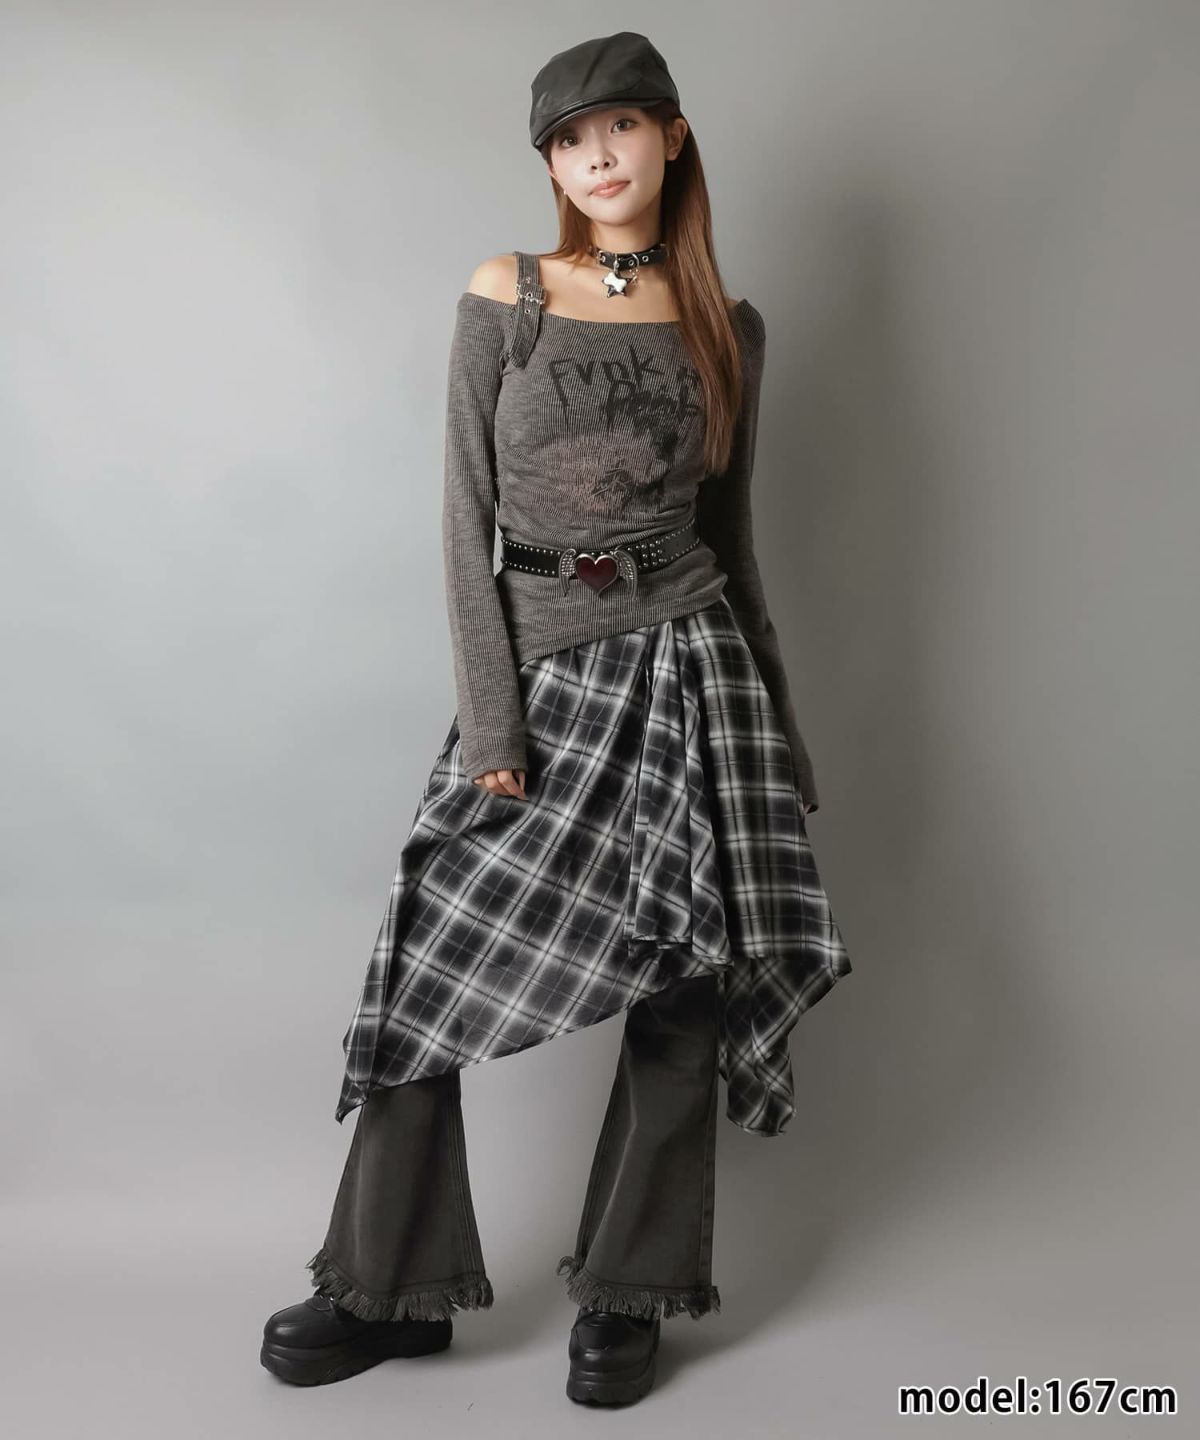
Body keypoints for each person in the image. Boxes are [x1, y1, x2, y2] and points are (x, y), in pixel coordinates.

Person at [260, 30, 852, 1406]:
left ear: (671, 138)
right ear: (550, 166)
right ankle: (386, 1288)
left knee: (684, 980)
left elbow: (733, 542)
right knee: (423, 974)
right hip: (539, 673)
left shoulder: (729, 328)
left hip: (694, 667)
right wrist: (493, 727)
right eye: (568, 140)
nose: (596, 156)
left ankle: (630, 1295)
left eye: (621, 127)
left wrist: (780, 724)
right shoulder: (510, 295)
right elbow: (461, 523)